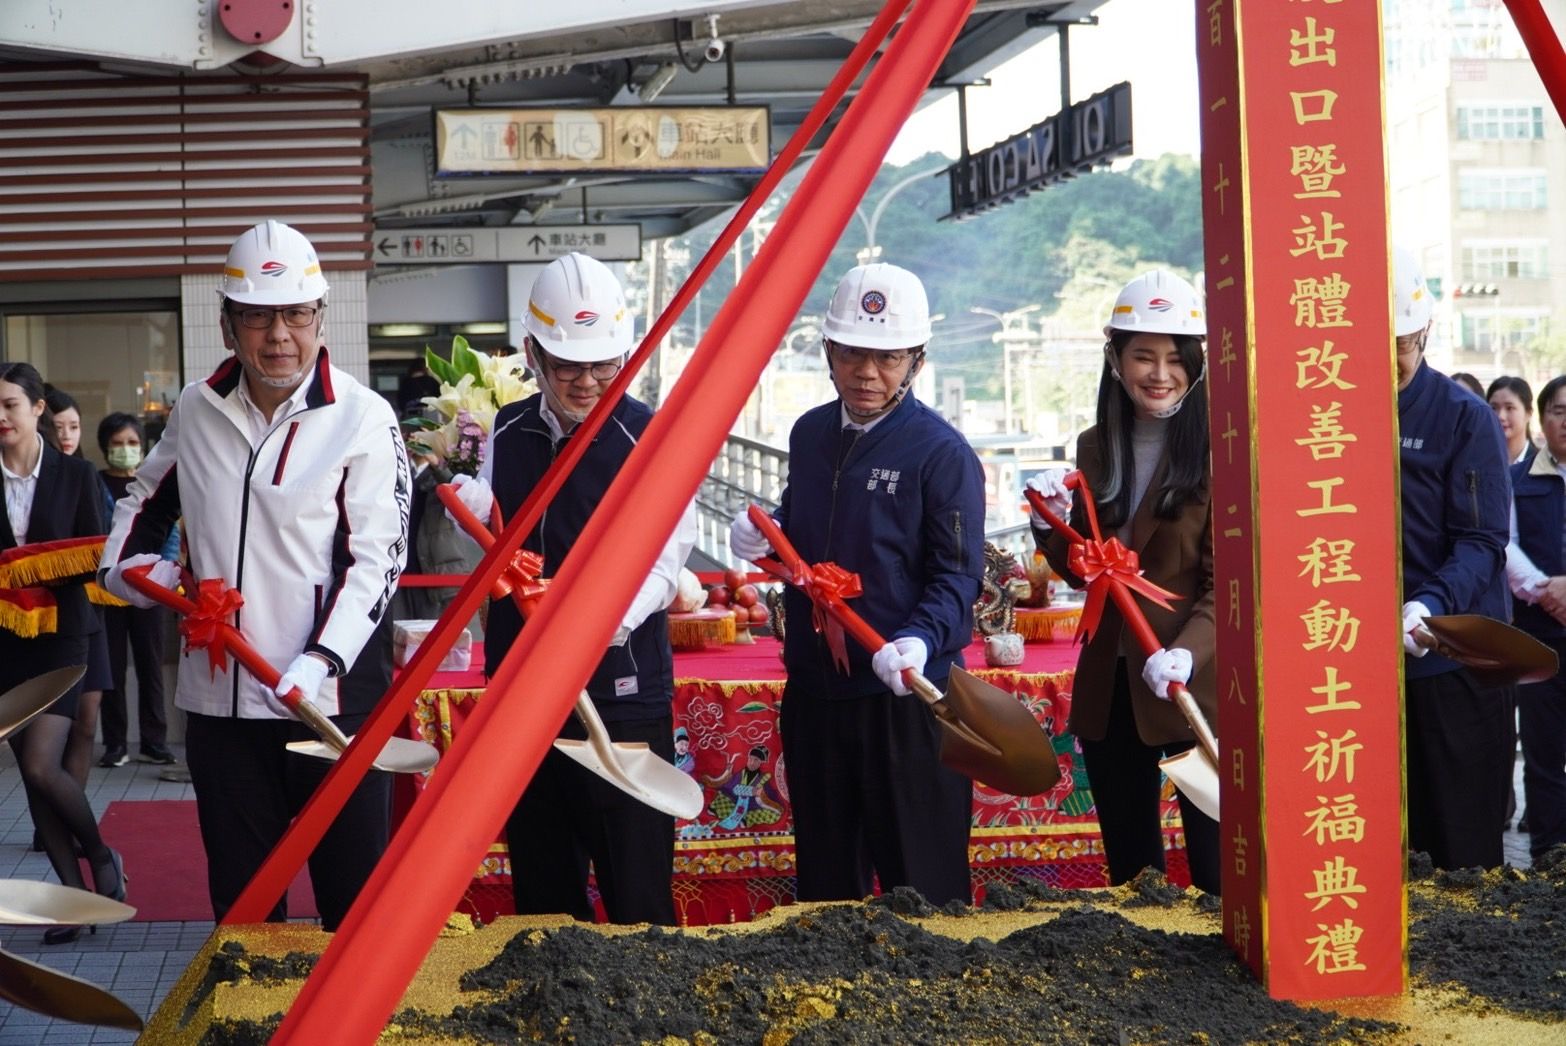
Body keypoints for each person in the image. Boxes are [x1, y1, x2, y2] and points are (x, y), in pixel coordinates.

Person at [100, 220, 410, 930]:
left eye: (296, 314)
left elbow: (378, 560)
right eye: (258, 316)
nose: (279, 335)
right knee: (244, 910)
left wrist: (321, 658)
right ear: (227, 323)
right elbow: (146, 501)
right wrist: (127, 570)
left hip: (330, 704)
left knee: (351, 903)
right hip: (222, 705)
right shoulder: (195, 407)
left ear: (319, 317)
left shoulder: (362, 417)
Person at [446, 252, 695, 925]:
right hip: (523, 689)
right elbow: (488, 534)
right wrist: (465, 507)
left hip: (621, 692)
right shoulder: (504, 429)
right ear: (532, 353)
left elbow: (665, 567)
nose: (587, 382)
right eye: (567, 366)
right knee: (544, 885)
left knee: (637, 890)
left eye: (604, 365)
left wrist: (598, 622)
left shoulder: (654, 437)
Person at [727, 262, 985, 906]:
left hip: (904, 695)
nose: (868, 374)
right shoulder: (810, 433)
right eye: (852, 355)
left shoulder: (941, 453)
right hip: (816, 689)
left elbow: (958, 578)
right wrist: (766, 533)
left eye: (889, 358)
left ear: (917, 360)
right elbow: (805, 522)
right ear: (828, 353)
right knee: (826, 880)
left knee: (923, 883)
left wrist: (921, 641)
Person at [1025, 270, 1220, 896]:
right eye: (1143, 356)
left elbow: (1230, 584)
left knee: (1218, 872)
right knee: (1134, 877)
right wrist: (1047, 524)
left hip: (1196, 689)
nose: (1159, 373)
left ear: (1195, 363)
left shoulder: (1223, 448)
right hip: (1114, 685)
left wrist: (1188, 651)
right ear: (1116, 359)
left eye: (1174, 358)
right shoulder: (1094, 446)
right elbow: (1082, 567)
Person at [1392, 246, 1515, 871]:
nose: (1385, 364)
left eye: (1399, 348)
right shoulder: (1330, 415)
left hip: (1449, 660)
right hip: (1358, 675)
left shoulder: (1463, 417)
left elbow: (1482, 541)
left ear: (1424, 332)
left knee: (1460, 848)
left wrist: (1427, 604)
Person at [0, 362, 125, 944]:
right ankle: (71, 902)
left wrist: (27, 570)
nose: (1, 417)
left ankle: (101, 858)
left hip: (65, 637)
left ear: (37, 410)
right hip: (5, 643)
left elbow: (93, 557)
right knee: (33, 780)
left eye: (10, 406)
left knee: (40, 764)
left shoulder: (75, 475)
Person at [1501, 374, 1566, 863]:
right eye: (1559, 411)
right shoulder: (1518, 482)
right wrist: (1546, 590)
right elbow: (1504, 543)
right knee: (1542, 753)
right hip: (1538, 636)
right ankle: (1547, 854)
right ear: (1542, 419)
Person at [40, 386, 116, 786]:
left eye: (74, 426)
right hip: (44, 615)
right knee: (52, 729)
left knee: (88, 719)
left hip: (91, 612)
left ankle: (71, 814)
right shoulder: (33, 479)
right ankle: (54, 818)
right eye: (58, 426)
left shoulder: (87, 475)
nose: (67, 435)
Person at [94, 412, 178, 768]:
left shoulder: (152, 486)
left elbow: (170, 533)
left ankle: (153, 741)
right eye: (117, 444)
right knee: (111, 666)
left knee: (150, 664)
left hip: (150, 590)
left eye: (131, 443)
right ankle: (115, 744)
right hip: (106, 591)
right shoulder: (93, 484)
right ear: (104, 447)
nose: (125, 450)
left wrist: (167, 579)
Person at [1488, 375, 1538, 467]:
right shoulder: (1479, 461)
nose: (1500, 416)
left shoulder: (1541, 463)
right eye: (1494, 408)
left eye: (1509, 408)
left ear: (1528, 413)